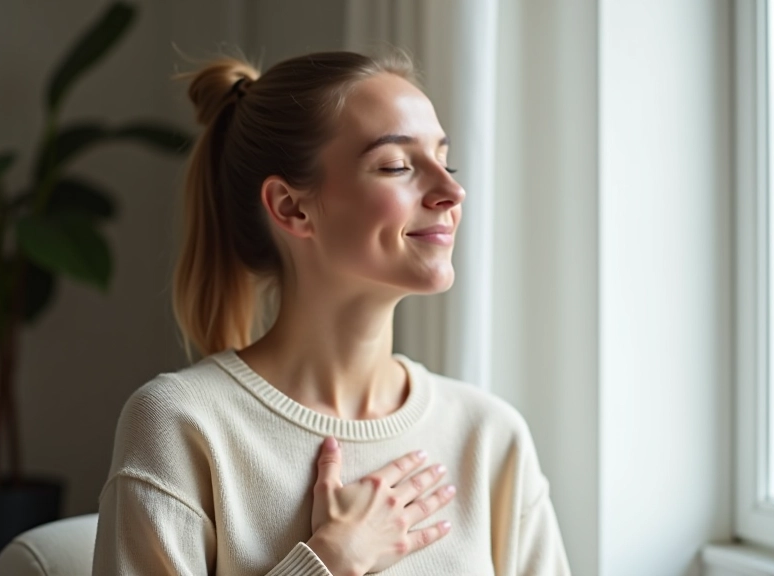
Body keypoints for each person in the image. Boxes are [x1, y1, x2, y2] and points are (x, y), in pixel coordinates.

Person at [91, 50, 571, 576]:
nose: (452, 191)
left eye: (445, 160)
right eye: (397, 166)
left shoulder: (490, 437)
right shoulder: (182, 425)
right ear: (291, 207)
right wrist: (332, 560)